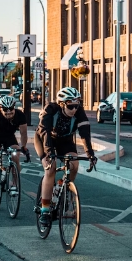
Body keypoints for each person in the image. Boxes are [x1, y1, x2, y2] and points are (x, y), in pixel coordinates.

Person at [33, 87, 97, 228]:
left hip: (65, 141)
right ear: (62, 104)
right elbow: (45, 133)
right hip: (45, 139)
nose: (74, 109)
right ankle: (44, 210)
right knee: (50, 169)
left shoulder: (78, 112)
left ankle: (64, 186)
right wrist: (49, 153)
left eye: (77, 105)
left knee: (74, 164)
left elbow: (85, 134)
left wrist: (91, 155)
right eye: (71, 106)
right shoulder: (51, 109)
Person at [0, 96, 28, 189]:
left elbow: (23, 133)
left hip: (9, 137)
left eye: (11, 108)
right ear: (1, 109)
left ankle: (14, 183)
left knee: (15, 158)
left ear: (14, 107)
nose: (8, 111)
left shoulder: (20, 115)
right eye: (5, 109)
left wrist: (23, 146)